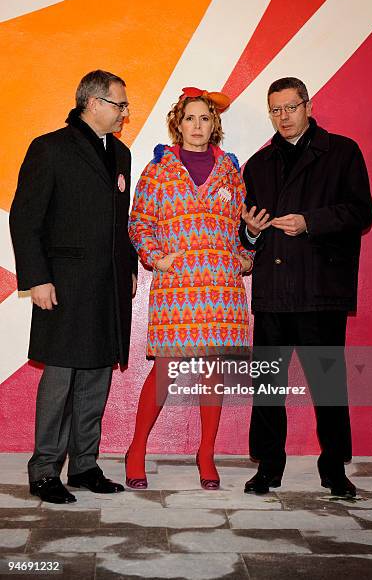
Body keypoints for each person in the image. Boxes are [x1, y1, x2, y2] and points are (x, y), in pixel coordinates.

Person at [240, 77, 372, 497]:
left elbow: (360, 211)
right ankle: (268, 467)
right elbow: (244, 235)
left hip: (320, 290)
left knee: (328, 387)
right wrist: (252, 233)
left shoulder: (342, 151)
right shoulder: (258, 164)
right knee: (266, 387)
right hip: (273, 291)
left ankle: (334, 469)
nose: (283, 117)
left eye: (290, 108)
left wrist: (309, 222)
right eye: (276, 110)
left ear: (308, 106)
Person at [9, 70, 138, 504]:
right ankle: (45, 470)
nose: (125, 112)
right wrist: (37, 278)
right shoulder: (50, 148)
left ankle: (84, 465)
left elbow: (121, 224)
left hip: (108, 287)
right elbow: (24, 219)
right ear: (94, 103)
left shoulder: (121, 154)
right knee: (61, 380)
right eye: (120, 104)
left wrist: (130, 267)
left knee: (97, 376)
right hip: (62, 285)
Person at [127, 87, 253, 489]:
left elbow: (240, 228)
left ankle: (206, 453)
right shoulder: (159, 170)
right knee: (165, 370)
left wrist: (244, 256)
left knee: (213, 372)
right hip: (177, 287)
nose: (197, 126)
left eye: (204, 118)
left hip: (220, 288)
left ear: (214, 124)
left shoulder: (232, 171)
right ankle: (136, 450)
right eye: (190, 119)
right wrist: (156, 257)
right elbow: (139, 222)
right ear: (177, 124)